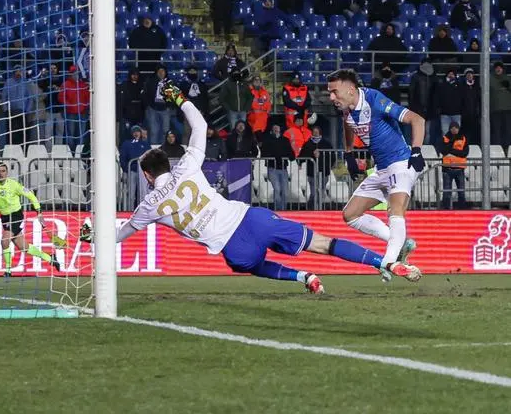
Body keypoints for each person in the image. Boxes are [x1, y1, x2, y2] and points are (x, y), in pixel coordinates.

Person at [93, 82, 415, 294]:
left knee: (247, 264)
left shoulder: (148, 205)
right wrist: (180, 99)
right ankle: (383, 262)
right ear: (167, 163)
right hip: (250, 219)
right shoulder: (187, 165)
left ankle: (302, 277)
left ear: (148, 177)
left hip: (232, 247)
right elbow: (202, 125)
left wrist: (93, 235)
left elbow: (119, 234)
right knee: (323, 244)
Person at [327, 69, 425, 282]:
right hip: (381, 168)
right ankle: (400, 243)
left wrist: (416, 150)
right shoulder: (346, 109)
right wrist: (349, 153)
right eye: (329, 92)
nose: (331, 97)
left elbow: (417, 120)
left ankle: (389, 263)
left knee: (395, 209)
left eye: (334, 92)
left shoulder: (375, 100)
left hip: (401, 163)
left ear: (351, 89)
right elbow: (348, 124)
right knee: (350, 214)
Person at [0, 162, 60, 277]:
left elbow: (30, 195)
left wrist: (39, 211)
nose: (0, 173)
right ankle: (50, 258)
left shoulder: (14, 185)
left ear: (7, 173)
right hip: (5, 218)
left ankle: (8, 271)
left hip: (16, 215)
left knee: (4, 240)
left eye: (3, 171)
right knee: (23, 247)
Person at [299, 125, 333, 209]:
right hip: (312, 172)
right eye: (314, 132)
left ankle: (318, 209)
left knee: (321, 192)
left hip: (324, 171)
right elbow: (302, 156)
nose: (315, 134)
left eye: (317, 132)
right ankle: (311, 208)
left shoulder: (326, 143)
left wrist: (328, 165)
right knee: (314, 193)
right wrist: (311, 154)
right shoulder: (307, 144)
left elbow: (332, 156)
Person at [261, 124, 293, 210]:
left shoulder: (285, 140)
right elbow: (264, 153)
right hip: (272, 168)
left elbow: (291, 154)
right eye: (274, 128)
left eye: (277, 127)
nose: (276, 129)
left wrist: (288, 156)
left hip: (283, 168)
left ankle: (284, 209)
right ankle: (279, 210)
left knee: (285, 192)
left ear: (280, 129)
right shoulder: (267, 140)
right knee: (277, 189)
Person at [0, 68, 34, 146]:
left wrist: (27, 111)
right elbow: (4, 97)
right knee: (10, 133)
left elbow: (30, 97)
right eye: (17, 71)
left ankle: (22, 151)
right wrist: (6, 110)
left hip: (22, 112)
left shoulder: (25, 82)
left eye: (20, 71)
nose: (18, 73)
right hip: (11, 112)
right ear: (14, 72)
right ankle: (10, 150)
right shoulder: (8, 82)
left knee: (22, 133)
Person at [120, 125, 151, 208]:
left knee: (144, 193)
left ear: (140, 133)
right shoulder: (127, 144)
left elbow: (150, 156)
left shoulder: (145, 144)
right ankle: (130, 210)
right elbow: (122, 158)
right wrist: (126, 170)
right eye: (134, 132)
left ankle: (144, 209)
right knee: (131, 193)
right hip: (132, 171)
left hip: (143, 173)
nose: (136, 133)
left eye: (137, 131)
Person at [440, 121, 468, 209]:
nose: (454, 129)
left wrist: (451, 151)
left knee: (461, 191)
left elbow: (464, 153)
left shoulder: (463, 138)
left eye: (456, 128)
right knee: (447, 192)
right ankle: (446, 209)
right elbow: (443, 150)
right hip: (447, 169)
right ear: (450, 128)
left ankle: (462, 209)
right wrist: (454, 146)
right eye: (452, 128)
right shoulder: (445, 138)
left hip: (459, 168)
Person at [143, 65, 175, 144]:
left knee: (165, 131)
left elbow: (173, 96)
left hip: (165, 109)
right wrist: (148, 105)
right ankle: (154, 150)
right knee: (154, 131)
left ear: (165, 72)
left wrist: (169, 106)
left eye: (162, 71)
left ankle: (164, 148)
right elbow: (145, 94)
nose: (161, 73)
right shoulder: (150, 81)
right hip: (153, 109)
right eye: (159, 71)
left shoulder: (169, 82)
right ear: (156, 72)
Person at [59, 66, 89, 149]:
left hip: (82, 114)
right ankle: (71, 153)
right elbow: (61, 98)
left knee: (81, 135)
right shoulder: (66, 84)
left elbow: (88, 98)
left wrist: (85, 108)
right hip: (70, 114)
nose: (76, 75)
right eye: (74, 73)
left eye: (77, 73)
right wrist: (70, 106)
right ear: (71, 74)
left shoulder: (83, 85)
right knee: (70, 135)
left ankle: (79, 153)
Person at [39, 63, 65, 149]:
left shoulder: (62, 80)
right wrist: (42, 75)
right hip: (49, 111)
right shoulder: (45, 80)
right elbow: (40, 86)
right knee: (48, 134)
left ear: (57, 69)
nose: (53, 70)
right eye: (51, 68)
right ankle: (49, 152)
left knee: (60, 133)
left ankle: (58, 150)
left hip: (60, 111)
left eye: (54, 68)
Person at [435, 69, 463, 135]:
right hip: (445, 114)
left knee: (457, 133)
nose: (451, 75)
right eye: (449, 74)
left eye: (452, 74)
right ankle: (446, 145)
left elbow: (462, 98)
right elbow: (438, 98)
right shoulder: (442, 85)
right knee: (445, 133)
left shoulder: (459, 85)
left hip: (457, 113)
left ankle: (456, 145)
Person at [490, 61, 511, 146]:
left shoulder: (508, 79)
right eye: (497, 68)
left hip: (508, 109)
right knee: (496, 131)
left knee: (507, 130)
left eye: (500, 68)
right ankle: (496, 149)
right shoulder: (490, 79)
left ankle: (507, 149)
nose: (498, 69)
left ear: (503, 69)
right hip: (495, 110)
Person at [460, 68, 481, 144]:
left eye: (471, 74)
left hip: (475, 115)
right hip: (465, 115)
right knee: (465, 134)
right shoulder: (462, 87)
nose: (469, 75)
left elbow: (480, 100)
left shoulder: (477, 86)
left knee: (476, 133)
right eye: (467, 74)